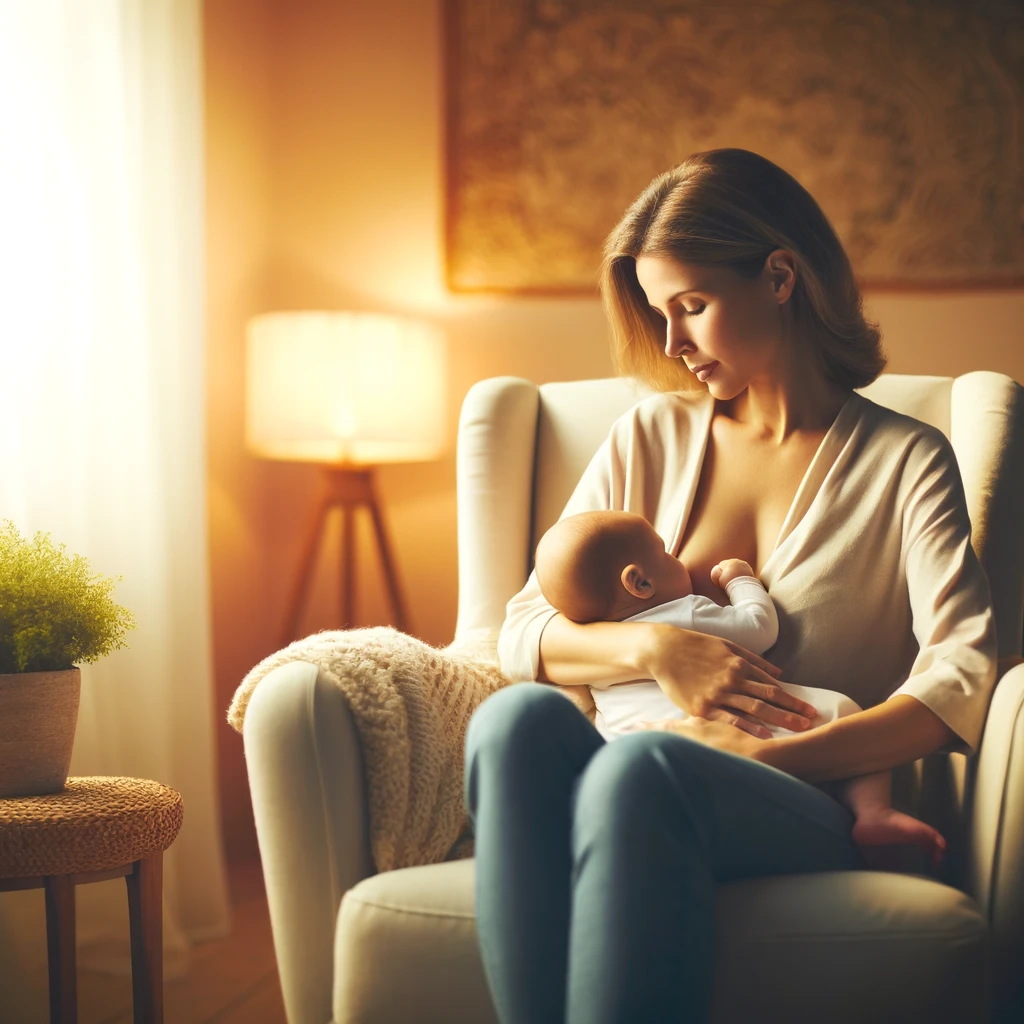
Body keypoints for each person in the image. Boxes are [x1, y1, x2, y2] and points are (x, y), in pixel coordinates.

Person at [463, 148, 997, 1024]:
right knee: (512, 718)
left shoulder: (906, 460)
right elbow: (525, 625)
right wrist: (653, 646)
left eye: (692, 307)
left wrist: (775, 754)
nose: (670, 343)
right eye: (658, 314)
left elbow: (963, 675)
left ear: (780, 276)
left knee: (642, 770)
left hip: (805, 795)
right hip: (636, 767)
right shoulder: (649, 435)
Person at [533, 508, 946, 861]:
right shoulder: (686, 615)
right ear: (639, 584)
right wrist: (740, 580)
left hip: (629, 763)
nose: (676, 558)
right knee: (844, 709)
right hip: (731, 743)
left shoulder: (590, 658)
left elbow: (529, 645)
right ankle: (873, 812)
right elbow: (759, 627)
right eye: (665, 553)